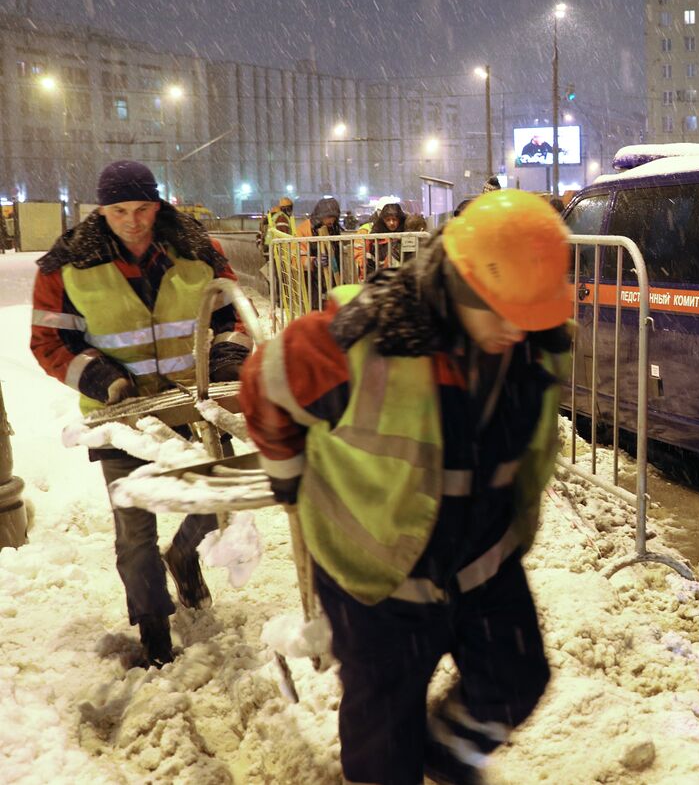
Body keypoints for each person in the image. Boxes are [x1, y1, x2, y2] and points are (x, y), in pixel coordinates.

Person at [240, 189, 573, 784]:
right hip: (379, 582)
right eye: (502, 312)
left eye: (530, 315)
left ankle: (441, 759)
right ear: (461, 286)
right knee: (383, 741)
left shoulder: (531, 343)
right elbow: (266, 381)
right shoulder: (365, 336)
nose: (516, 332)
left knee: (515, 680)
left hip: (481, 565)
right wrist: (287, 476)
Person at [29, 160, 251, 667]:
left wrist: (229, 354)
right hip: (120, 417)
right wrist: (98, 378)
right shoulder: (65, 267)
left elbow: (231, 312)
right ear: (101, 208)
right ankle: (155, 635)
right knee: (135, 534)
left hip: (192, 406)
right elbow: (49, 341)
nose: (132, 220)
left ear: (158, 203)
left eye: (143, 208)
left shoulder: (197, 249)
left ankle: (185, 554)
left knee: (218, 499)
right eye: (119, 210)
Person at [295, 197, 344, 307]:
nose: (331, 221)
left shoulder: (333, 228)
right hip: (311, 280)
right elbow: (296, 257)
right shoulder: (304, 229)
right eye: (328, 217)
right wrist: (314, 262)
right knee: (315, 307)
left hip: (332, 277)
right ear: (320, 215)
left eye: (334, 217)